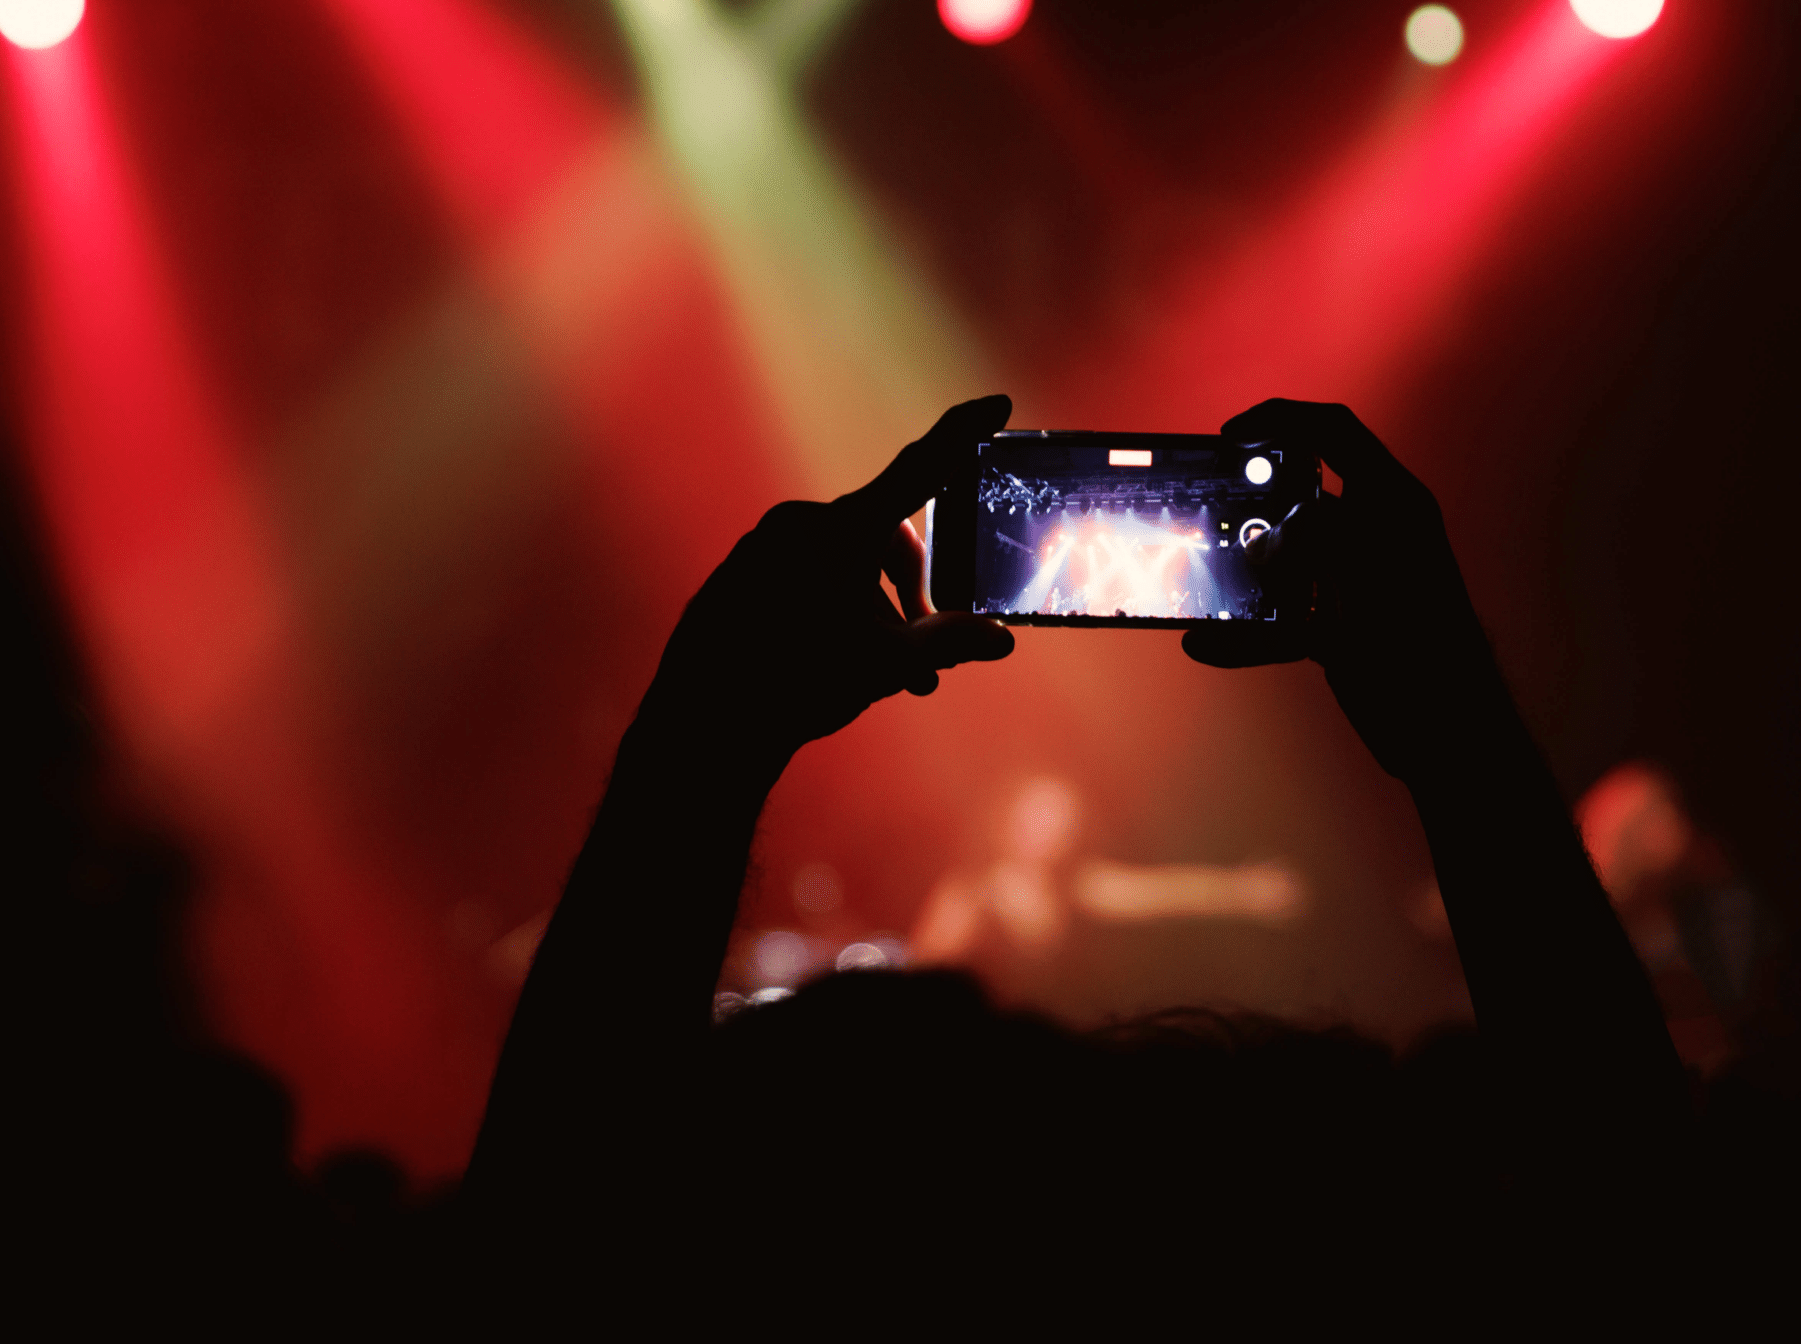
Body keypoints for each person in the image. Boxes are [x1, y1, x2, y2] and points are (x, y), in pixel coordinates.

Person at [467, 396, 1689, 1280]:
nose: (1067, 834)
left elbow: (549, 1224)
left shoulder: (1044, 918)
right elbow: (1633, 1206)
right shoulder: (985, 901)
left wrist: (705, 734)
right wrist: (1459, 735)